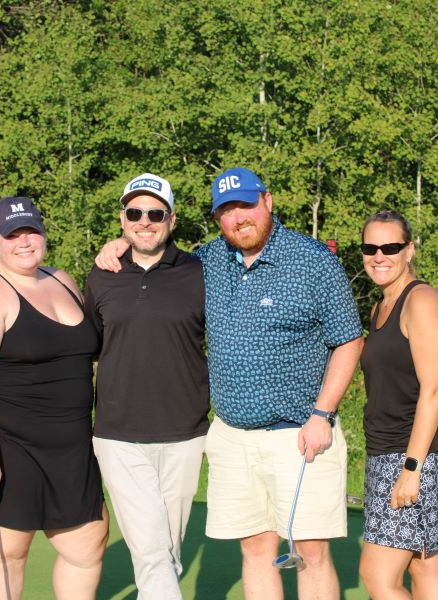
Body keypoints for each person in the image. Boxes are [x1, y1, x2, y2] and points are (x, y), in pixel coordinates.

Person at [98, 167, 363, 600]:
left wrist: (323, 414)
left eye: (246, 205)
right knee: (256, 549)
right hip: (232, 436)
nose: (239, 217)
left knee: (310, 551)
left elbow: (349, 341)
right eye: (226, 210)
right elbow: (154, 249)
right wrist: (122, 242)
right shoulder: (206, 260)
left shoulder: (314, 260)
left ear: (268, 202)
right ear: (217, 217)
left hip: (300, 433)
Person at [0, 196, 108, 600]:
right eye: (12, 234)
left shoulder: (61, 279)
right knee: (7, 555)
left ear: (43, 233)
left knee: (87, 547)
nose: (23, 241)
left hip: (70, 448)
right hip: (7, 446)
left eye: (30, 230)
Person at [84, 173, 209, 599]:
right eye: (134, 212)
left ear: (171, 220)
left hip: (186, 434)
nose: (144, 221)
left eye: (155, 213)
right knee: (152, 550)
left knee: (167, 550)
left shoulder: (200, 271)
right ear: (122, 219)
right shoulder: (101, 276)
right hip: (118, 435)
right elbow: (87, 350)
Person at [357, 210, 438, 600]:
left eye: (390, 247)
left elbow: (435, 390)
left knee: (378, 577)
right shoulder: (381, 307)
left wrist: (411, 469)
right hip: (388, 451)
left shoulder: (422, 301)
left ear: (409, 250)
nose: (379, 256)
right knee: (424, 563)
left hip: (415, 454)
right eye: (370, 247)